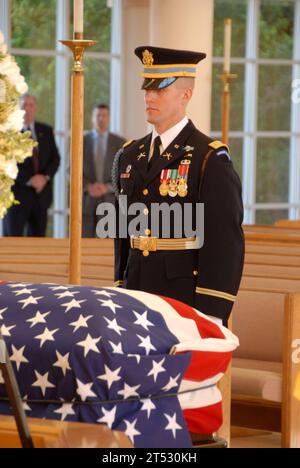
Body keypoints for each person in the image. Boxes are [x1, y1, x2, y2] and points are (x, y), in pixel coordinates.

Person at [112, 46, 245, 326]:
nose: (149, 96)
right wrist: (120, 282)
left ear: (186, 95)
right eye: (147, 88)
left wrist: (211, 313)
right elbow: (125, 229)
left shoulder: (207, 157)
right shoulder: (129, 154)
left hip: (183, 300)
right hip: (134, 294)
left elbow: (223, 243)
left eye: (159, 89)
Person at [3, 94, 60, 237]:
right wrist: (30, 179)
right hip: (18, 195)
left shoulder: (46, 131)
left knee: (39, 243)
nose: (27, 108)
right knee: (13, 242)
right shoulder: (9, 132)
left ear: (35, 108)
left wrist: (44, 177)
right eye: (24, 105)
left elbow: (55, 158)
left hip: (41, 197)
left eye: (31, 105)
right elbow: (6, 161)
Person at [82, 104, 126, 237]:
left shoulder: (120, 143)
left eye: (104, 115)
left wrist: (107, 187)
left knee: (108, 245)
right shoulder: (81, 141)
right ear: (92, 118)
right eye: (98, 115)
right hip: (86, 201)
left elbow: (125, 172)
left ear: (109, 118)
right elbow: (70, 170)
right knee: (84, 244)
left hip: (110, 201)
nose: (101, 119)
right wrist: (88, 186)